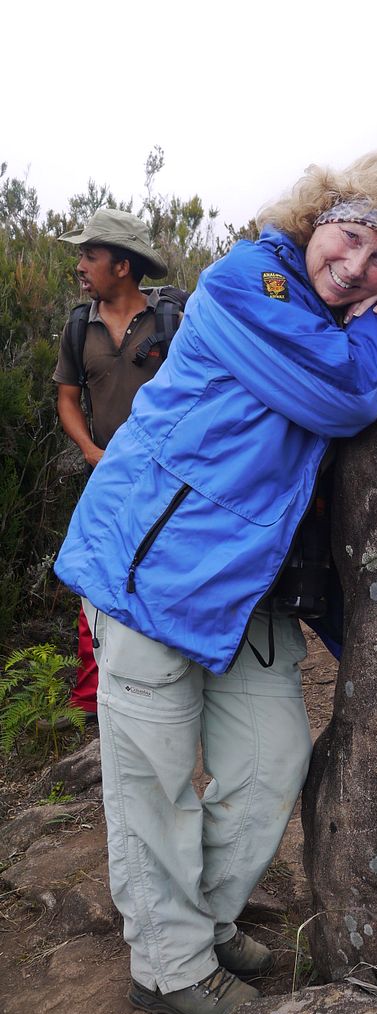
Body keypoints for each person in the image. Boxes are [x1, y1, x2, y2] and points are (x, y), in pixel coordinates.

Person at [54, 151, 377, 1014]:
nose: (355, 267)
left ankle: (207, 920)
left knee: (272, 760)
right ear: (318, 220)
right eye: (349, 239)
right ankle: (168, 964)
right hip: (149, 570)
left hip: (245, 591)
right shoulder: (247, 282)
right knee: (154, 782)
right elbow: (344, 398)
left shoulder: (331, 314)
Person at [53, 209, 178, 728]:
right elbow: (67, 396)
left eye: (90, 255)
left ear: (122, 265)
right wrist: (88, 448)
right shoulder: (80, 326)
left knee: (163, 578)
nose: (80, 265)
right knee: (95, 581)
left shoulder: (175, 318)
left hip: (172, 485)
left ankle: (165, 689)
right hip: (107, 479)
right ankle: (95, 705)